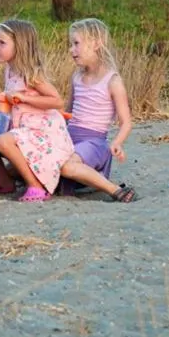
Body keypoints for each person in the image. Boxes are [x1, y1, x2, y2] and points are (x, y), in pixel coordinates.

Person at [0, 19, 74, 203]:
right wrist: (1, 95)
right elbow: (13, 98)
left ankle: (36, 186)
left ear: (20, 46)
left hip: (41, 130)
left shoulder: (32, 74)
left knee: (2, 141)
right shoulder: (10, 69)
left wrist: (24, 98)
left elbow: (57, 101)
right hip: (20, 126)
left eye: (2, 43)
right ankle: (5, 181)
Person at [58, 18, 138, 202]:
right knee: (25, 163)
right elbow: (68, 113)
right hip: (70, 138)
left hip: (94, 144)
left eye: (76, 43)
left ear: (96, 43)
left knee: (67, 166)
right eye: (71, 44)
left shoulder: (112, 81)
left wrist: (117, 143)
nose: (71, 50)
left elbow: (126, 122)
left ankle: (116, 190)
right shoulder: (76, 77)